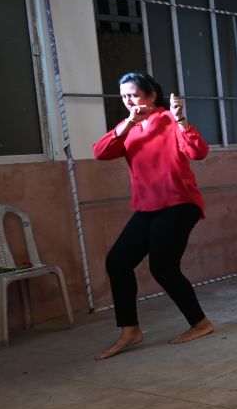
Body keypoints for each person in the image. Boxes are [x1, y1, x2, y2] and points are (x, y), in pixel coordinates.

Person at [92, 72, 214, 360]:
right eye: (124, 96)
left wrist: (180, 118)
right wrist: (128, 123)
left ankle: (200, 323)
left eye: (134, 95)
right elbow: (100, 152)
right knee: (117, 261)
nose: (129, 100)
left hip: (180, 202)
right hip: (148, 206)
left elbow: (198, 152)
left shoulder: (169, 119)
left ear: (151, 95)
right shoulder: (128, 127)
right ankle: (130, 330)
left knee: (163, 267)